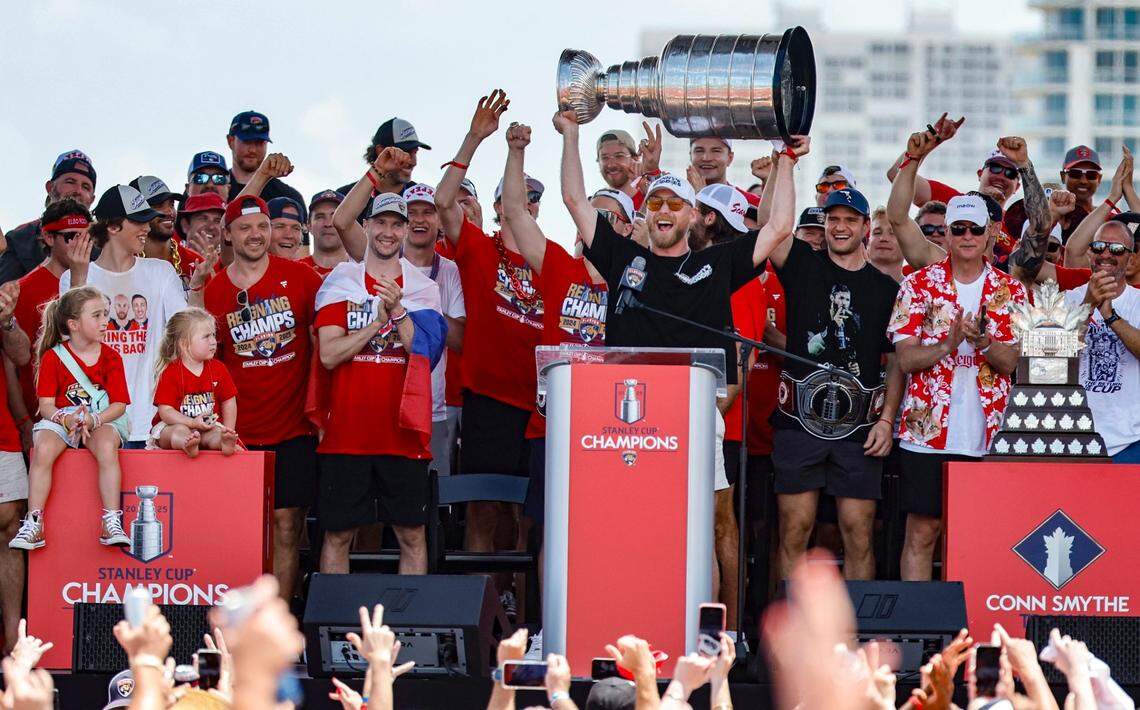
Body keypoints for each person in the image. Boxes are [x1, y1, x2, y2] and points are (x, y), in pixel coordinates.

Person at [434, 91, 542, 617]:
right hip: (487, 400)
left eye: (533, 204)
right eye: (517, 201)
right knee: (481, 511)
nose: (526, 209)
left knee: (527, 519)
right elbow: (443, 199)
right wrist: (478, 137)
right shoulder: (479, 249)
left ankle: (520, 613)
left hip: (540, 407)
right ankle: (478, 616)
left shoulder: (556, 261)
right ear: (501, 209)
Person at [767, 176, 902, 580]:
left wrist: (887, 420)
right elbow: (769, 224)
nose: (839, 226)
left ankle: (856, 637)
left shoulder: (886, 288)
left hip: (859, 426)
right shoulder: (802, 265)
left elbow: (895, 360)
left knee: (858, 533)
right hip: (797, 421)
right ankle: (789, 638)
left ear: (865, 227)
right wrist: (784, 163)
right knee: (794, 529)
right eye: (832, 219)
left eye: (849, 219)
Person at [891, 194, 1027, 581]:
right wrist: (948, 345)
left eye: (976, 229)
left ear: (990, 236)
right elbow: (905, 360)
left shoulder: (1011, 291)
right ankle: (920, 632)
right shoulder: (917, 285)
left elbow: (1013, 364)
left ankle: (977, 630)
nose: (967, 236)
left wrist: (984, 344)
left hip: (990, 435)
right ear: (946, 236)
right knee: (922, 531)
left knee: (981, 536)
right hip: (926, 434)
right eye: (958, 229)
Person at [312, 193, 446, 575]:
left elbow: (425, 354)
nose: (388, 232)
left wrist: (399, 310)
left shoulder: (422, 288)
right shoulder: (342, 281)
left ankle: (409, 630)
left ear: (406, 230)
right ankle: (335, 631)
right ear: (366, 226)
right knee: (337, 535)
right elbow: (329, 354)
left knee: (412, 535)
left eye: (396, 224)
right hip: (347, 433)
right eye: (381, 223)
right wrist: (376, 323)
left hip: (402, 434)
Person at [203, 194, 323, 599]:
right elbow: (208, 366)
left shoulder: (304, 278)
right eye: (245, 228)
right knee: (241, 529)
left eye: (262, 227)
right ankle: (238, 625)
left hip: (294, 428)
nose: (255, 236)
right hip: (238, 431)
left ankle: (281, 624)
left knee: (288, 525)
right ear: (229, 234)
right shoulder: (214, 291)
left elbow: (322, 349)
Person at [63, 184, 213, 448]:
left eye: (147, 220)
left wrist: (198, 285)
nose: (146, 228)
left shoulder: (161, 272)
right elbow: (71, 343)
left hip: (150, 421)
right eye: (138, 221)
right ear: (112, 226)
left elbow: (189, 329)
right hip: (97, 423)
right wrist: (78, 277)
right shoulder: (74, 277)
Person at [690, 182, 767, 625]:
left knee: (720, 526)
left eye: (693, 211)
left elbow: (738, 366)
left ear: (709, 219)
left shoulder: (736, 278)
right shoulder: (702, 269)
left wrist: (696, 420)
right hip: (689, 420)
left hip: (719, 425)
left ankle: (731, 631)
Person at [9, 286, 131, 550]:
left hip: (100, 419)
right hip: (65, 419)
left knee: (108, 446)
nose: (104, 321)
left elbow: (120, 405)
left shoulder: (112, 357)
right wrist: (66, 420)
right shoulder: (54, 357)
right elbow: (46, 406)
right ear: (74, 324)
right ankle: (34, 522)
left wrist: (94, 420)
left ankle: (111, 519)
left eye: (105, 314)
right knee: (42, 447)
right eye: (96, 316)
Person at [9, 199, 90, 450]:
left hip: (91, 417)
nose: (80, 245)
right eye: (70, 237)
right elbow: (11, 364)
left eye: (85, 237)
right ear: (47, 237)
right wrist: (23, 421)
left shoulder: (100, 280)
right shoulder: (23, 289)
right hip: (43, 420)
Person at [400, 184, 466, 476]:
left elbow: (461, 338)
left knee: (433, 504)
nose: (419, 220)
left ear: (440, 221)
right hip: (385, 403)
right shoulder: (381, 263)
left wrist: (422, 304)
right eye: (411, 213)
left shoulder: (449, 270)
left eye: (428, 212)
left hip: (432, 408)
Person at [1062, 220, 1140, 463]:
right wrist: (1087, 306)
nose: (1106, 254)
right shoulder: (1066, 300)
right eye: (1098, 247)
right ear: (1089, 253)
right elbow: (1057, 362)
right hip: (1074, 438)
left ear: (1130, 259)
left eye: (1116, 249)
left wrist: (1110, 316)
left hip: (1131, 439)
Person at [150, 308, 239, 457]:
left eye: (213, 335)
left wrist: (227, 430)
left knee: (214, 434)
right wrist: (191, 424)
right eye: (206, 337)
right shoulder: (171, 372)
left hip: (206, 426)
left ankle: (223, 443)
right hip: (174, 426)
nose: (213, 341)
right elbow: (166, 411)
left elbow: (229, 401)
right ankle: (188, 445)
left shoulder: (219, 368)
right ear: (184, 344)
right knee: (179, 432)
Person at [0, 150, 97, 284]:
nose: (78, 190)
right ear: (50, 188)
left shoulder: (105, 243)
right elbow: (5, 295)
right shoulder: (19, 237)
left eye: (86, 187)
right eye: (70, 182)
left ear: (92, 199)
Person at [129, 175, 208, 291]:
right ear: (137, 213)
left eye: (171, 204)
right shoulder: (125, 262)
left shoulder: (195, 263)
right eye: (158, 206)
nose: (169, 212)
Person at [338, 117, 432, 198]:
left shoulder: (424, 198)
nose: (413, 162)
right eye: (405, 152)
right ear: (381, 151)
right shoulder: (344, 197)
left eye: (415, 153)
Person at [225, 111, 304, 206]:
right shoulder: (214, 186)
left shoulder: (288, 196)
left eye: (259, 142)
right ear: (230, 141)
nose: (252, 150)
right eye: (247, 141)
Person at [687, 137, 760, 206]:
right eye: (699, 151)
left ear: (730, 158)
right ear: (690, 156)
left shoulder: (748, 202)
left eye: (716, 151)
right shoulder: (677, 198)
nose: (706, 158)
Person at [301, 190, 350, 277]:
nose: (328, 224)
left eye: (335, 216)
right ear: (309, 226)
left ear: (348, 223)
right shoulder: (294, 272)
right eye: (320, 217)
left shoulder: (363, 270)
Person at [176, 192, 227, 262]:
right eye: (203, 218)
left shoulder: (232, 265)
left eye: (217, 220)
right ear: (185, 225)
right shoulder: (170, 258)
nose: (211, 227)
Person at [868, 207, 904, 283]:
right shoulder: (847, 286)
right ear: (868, 244)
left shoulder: (916, 291)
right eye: (877, 232)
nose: (884, 238)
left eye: (893, 233)